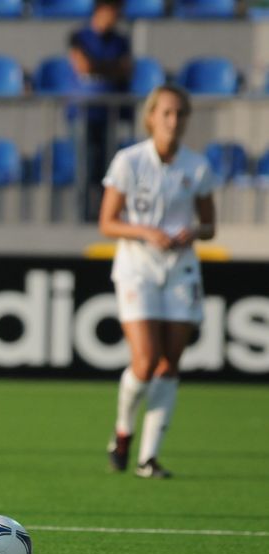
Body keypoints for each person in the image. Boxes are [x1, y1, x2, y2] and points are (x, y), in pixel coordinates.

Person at [99, 83, 216, 479]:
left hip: (181, 270)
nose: (173, 121)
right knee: (146, 360)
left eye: (180, 114)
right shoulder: (129, 161)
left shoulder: (197, 166)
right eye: (166, 113)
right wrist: (147, 233)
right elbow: (107, 221)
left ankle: (148, 458)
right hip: (137, 267)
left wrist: (194, 233)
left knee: (170, 364)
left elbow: (210, 225)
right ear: (151, 117)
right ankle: (123, 431)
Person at [67, 0, 133, 221]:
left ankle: (106, 217)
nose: (116, 17)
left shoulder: (121, 41)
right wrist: (110, 68)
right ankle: (83, 217)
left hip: (109, 114)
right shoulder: (79, 37)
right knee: (85, 169)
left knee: (108, 170)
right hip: (84, 114)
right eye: (113, 12)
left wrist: (99, 66)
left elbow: (125, 69)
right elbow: (83, 66)